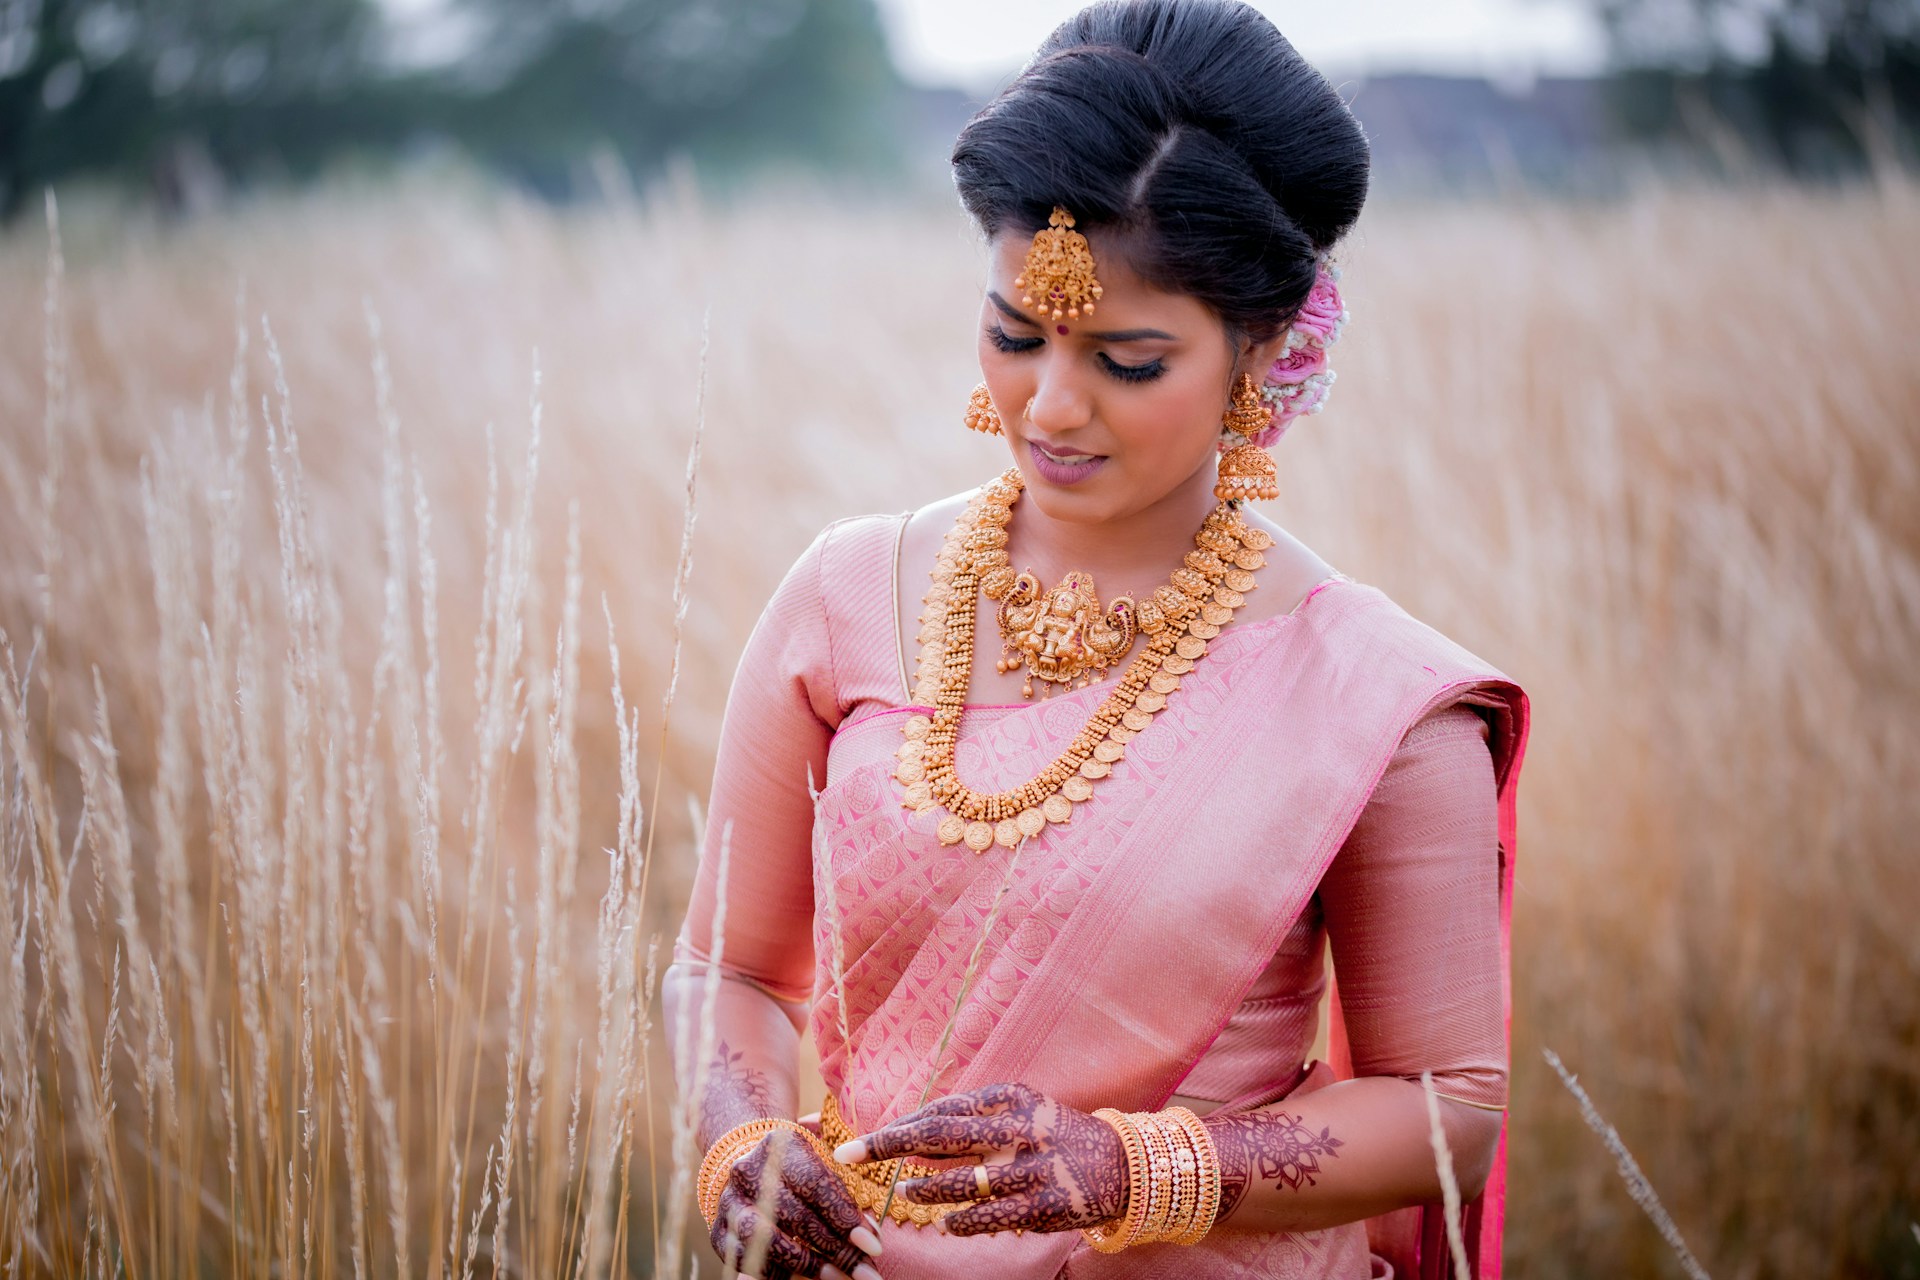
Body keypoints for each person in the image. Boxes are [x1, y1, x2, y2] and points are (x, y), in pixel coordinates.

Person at [664, 2, 1531, 1276]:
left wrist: (1130, 1166)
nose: (1051, 405)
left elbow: (1448, 1107)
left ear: (1265, 349)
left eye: (1129, 359)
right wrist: (741, 1141)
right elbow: (725, 967)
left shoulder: (1372, 699)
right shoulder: (847, 596)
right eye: (1016, 334)